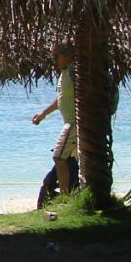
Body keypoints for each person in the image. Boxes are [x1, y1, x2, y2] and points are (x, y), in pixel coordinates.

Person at [31, 43, 77, 200]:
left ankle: (65, 197)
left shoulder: (73, 71)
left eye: (56, 55)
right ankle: (70, 195)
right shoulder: (65, 74)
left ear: (67, 55)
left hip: (74, 123)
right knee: (66, 159)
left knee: (58, 156)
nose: (54, 59)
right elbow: (61, 99)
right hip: (69, 122)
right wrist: (43, 114)